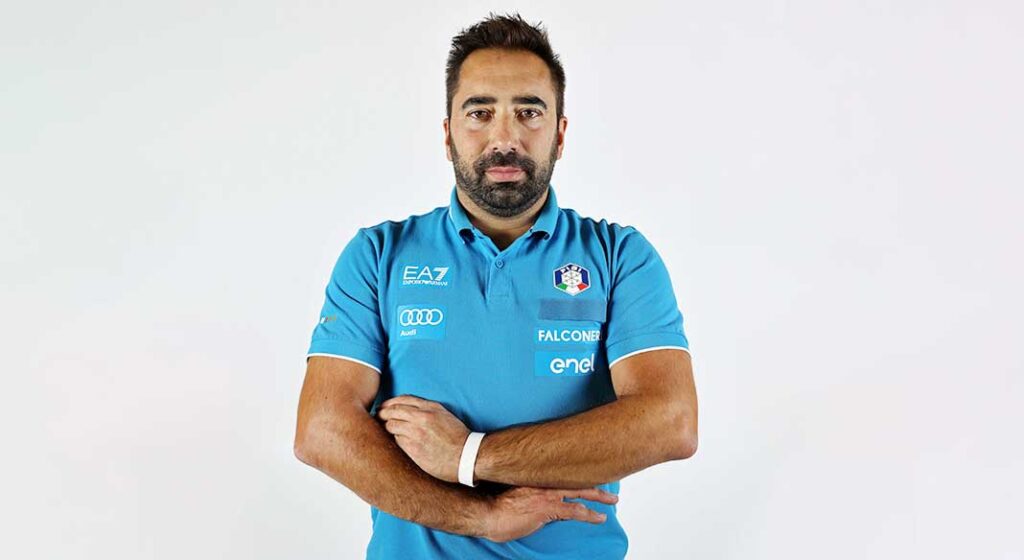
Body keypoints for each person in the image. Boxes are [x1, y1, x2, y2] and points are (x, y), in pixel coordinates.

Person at [293, 12, 698, 560]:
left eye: (528, 112)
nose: (504, 138)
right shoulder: (378, 255)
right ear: (447, 134)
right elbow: (321, 430)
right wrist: (482, 516)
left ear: (560, 133)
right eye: (479, 112)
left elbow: (671, 421)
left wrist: (470, 455)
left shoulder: (619, 255)